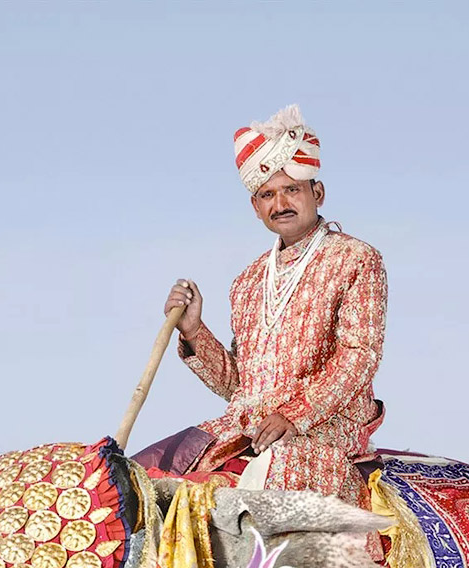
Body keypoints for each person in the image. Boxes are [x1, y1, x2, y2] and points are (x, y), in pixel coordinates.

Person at [163, 106, 386, 505]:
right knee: (154, 476)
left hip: (322, 429)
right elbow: (239, 387)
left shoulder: (355, 258)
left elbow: (359, 357)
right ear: (255, 206)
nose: (279, 202)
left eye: (291, 189)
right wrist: (195, 331)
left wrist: (295, 416)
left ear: (316, 193)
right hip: (247, 426)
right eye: (267, 194)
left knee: (270, 494)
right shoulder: (247, 282)